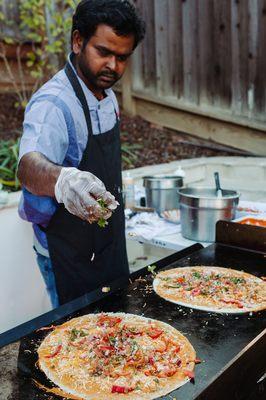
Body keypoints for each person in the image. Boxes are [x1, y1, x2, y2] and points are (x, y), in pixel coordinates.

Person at [17, 0, 146, 308]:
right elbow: (28, 165)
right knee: (77, 345)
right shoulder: (54, 104)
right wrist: (63, 179)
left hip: (109, 245)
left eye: (122, 57)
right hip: (68, 255)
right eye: (103, 52)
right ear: (78, 41)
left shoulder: (107, 96)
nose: (113, 66)